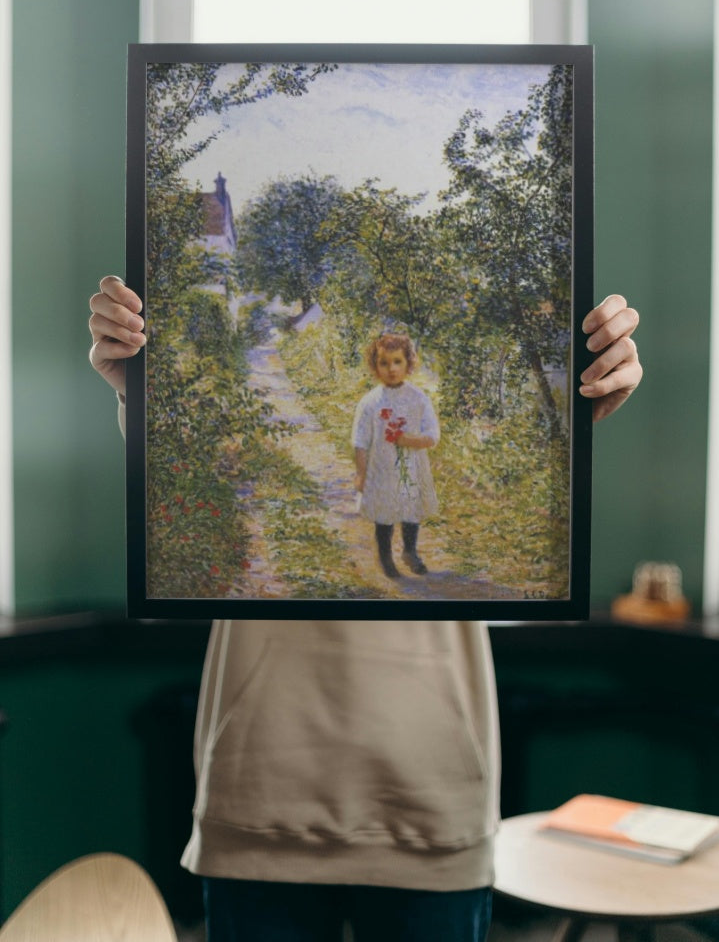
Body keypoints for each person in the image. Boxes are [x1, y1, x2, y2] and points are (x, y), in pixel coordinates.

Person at [89, 278, 642, 942]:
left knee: (406, 527)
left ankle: (402, 557)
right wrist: (138, 386)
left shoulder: (427, 398)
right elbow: (191, 461)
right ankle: (391, 553)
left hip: (433, 790)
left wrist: (570, 413)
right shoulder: (322, 401)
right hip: (262, 788)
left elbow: (463, 445)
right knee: (386, 524)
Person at [353, 332, 439, 578]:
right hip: (381, 468)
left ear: (408, 363)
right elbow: (360, 441)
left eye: (397, 362)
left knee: (411, 508)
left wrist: (409, 440)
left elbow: (432, 435)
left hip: (410, 467)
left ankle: (410, 552)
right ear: (375, 366)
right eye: (384, 363)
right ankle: (385, 557)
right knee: (385, 513)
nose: (391, 369)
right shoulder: (370, 402)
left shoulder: (418, 398)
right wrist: (361, 473)